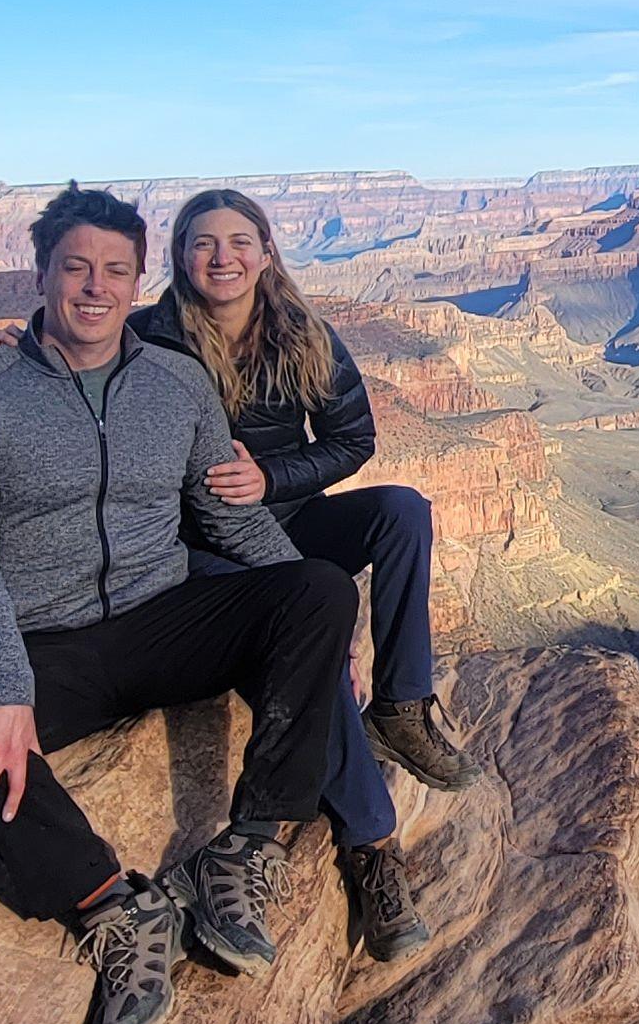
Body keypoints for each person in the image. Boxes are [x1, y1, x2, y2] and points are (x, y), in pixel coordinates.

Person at [0, 184, 358, 1024]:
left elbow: (229, 517)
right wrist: (4, 684)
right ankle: (111, 905)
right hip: (46, 644)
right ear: (41, 274)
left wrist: (321, 637)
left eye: (115, 270)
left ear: (140, 280)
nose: (95, 288)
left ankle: (245, 848)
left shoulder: (175, 381)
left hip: (163, 618)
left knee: (321, 590)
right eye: (76, 268)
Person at [133, 186, 478, 964]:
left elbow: (354, 440)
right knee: (311, 658)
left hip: (289, 515)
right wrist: (17, 350)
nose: (222, 258)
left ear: (265, 253)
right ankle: (372, 849)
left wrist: (276, 478)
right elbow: (73, 365)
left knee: (402, 511)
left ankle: (402, 704)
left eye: (238, 241)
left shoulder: (302, 336)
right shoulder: (149, 341)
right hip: (209, 553)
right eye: (202, 243)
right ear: (180, 258)